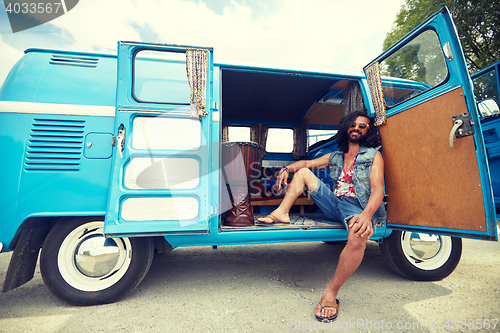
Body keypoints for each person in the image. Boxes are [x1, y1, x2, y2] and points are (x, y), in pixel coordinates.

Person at [257, 110, 386, 322]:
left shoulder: (373, 155)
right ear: (346, 128)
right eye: (352, 125)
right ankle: (281, 212)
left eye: (362, 126)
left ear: (368, 130)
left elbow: (377, 189)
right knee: (304, 173)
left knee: (358, 237)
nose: (356, 128)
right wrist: (287, 168)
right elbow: (306, 164)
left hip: (357, 207)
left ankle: (331, 292)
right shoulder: (335, 156)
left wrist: (366, 215)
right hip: (335, 204)